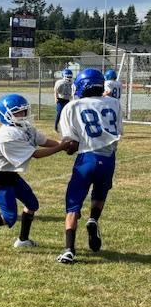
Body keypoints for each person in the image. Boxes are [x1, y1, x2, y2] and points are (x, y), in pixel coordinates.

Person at [0, 94, 70, 249]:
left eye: (24, 110)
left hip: (10, 173)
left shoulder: (25, 127)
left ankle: (23, 240)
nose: (23, 114)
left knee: (32, 204)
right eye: (18, 112)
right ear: (6, 114)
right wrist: (61, 147)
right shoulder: (5, 134)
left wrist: (63, 143)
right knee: (9, 217)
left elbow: (44, 141)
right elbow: (36, 154)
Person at [57, 68, 123, 264]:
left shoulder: (72, 106)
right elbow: (118, 132)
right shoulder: (114, 103)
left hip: (86, 158)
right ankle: (93, 219)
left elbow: (71, 143)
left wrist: (66, 148)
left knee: (73, 205)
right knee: (100, 195)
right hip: (108, 159)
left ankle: (69, 250)